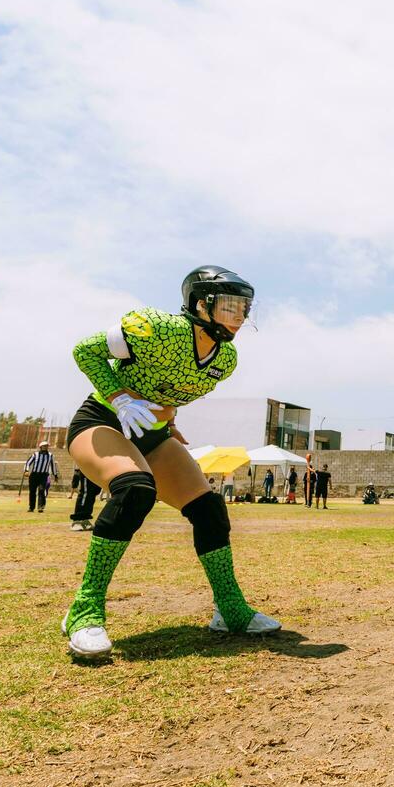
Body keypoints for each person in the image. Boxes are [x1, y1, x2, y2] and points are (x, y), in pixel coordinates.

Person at [60, 265, 280, 661]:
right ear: (201, 304)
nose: (241, 315)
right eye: (231, 305)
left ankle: (229, 610)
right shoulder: (157, 329)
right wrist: (119, 397)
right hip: (103, 420)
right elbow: (85, 350)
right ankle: (84, 610)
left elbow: (172, 385)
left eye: (245, 307)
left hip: (153, 434)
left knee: (209, 508)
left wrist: (170, 420)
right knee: (134, 491)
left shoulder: (224, 359)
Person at [25, 441, 59, 512]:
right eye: (44, 446)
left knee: (41, 490)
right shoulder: (35, 454)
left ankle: (40, 507)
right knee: (32, 491)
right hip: (34, 475)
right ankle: (31, 507)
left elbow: (53, 466)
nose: (46, 447)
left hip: (43, 476)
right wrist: (27, 470)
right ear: (40, 447)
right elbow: (28, 463)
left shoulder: (50, 455)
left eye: (47, 446)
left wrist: (55, 475)